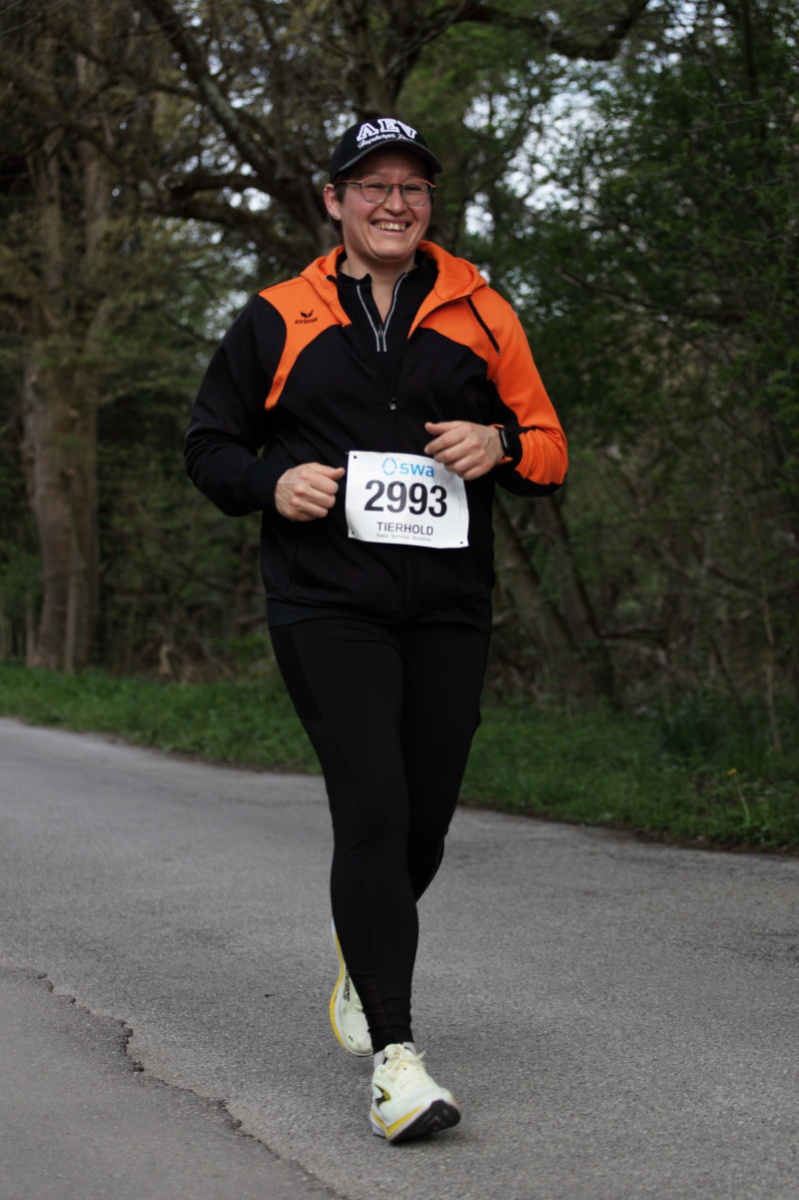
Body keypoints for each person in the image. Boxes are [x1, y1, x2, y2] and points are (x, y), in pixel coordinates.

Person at [185, 116, 568, 1144]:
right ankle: (396, 1063)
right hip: (325, 602)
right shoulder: (278, 316)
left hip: (447, 606)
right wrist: (272, 482)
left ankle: (363, 950)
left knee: (424, 821)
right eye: (372, 185)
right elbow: (208, 445)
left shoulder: (482, 310)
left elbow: (549, 448)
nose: (393, 203)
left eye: (412, 187)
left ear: (428, 203)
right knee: (374, 807)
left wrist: (497, 444)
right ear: (334, 201)